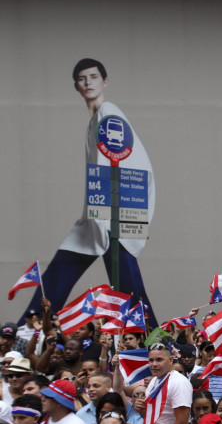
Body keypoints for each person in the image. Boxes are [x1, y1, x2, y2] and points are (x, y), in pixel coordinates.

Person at [23, 58, 157, 324]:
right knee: (60, 269)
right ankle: (28, 330)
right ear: (77, 86)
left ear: (104, 81)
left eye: (93, 76)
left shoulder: (109, 113)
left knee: (129, 289)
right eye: (83, 78)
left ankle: (154, 339)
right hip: (96, 216)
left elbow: (123, 164)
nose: (88, 82)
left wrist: (108, 216)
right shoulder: (96, 119)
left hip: (112, 216)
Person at [139, 343, 192, 424]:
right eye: (151, 360)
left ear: (170, 360)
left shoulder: (179, 382)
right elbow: (156, 417)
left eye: (159, 360)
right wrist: (142, 410)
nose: (154, 364)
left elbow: (182, 421)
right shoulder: (154, 381)